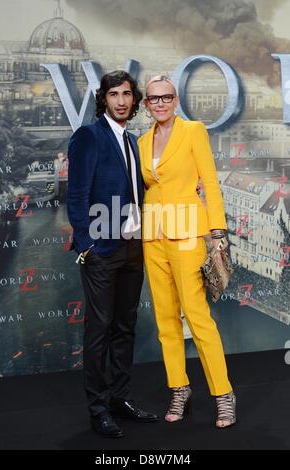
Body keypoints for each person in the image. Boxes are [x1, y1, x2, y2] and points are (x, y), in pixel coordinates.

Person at [138, 75, 236, 428]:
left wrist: (217, 231)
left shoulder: (193, 131)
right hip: (153, 237)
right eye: (153, 99)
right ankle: (179, 389)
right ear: (146, 104)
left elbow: (209, 181)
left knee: (197, 318)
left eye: (166, 97)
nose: (160, 103)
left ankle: (223, 394)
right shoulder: (142, 141)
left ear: (175, 100)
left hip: (188, 235)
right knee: (166, 321)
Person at [67, 71, 159, 438]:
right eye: (113, 94)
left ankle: (121, 399)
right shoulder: (88, 136)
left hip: (133, 246)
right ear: (103, 99)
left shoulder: (134, 141)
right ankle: (98, 409)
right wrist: (87, 243)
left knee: (125, 327)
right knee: (100, 330)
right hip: (101, 248)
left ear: (134, 100)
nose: (121, 101)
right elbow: (76, 195)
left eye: (127, 94)